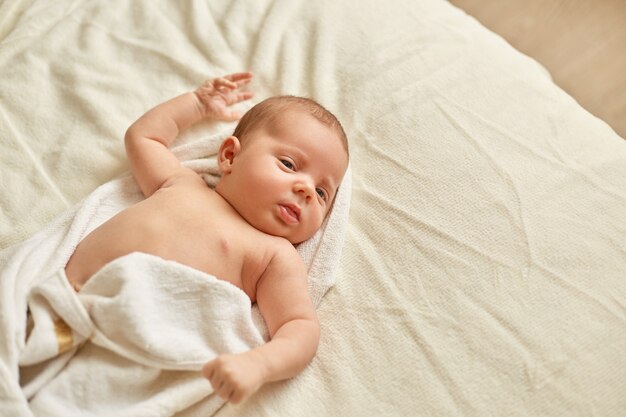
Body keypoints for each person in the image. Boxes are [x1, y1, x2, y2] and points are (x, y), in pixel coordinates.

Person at [63, 72, 349, 403]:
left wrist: (258, 364)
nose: (305, 190)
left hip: (126, 347)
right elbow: (144, 137)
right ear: (229, 156)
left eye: (322, 192)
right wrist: (197, 104)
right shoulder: (182, 182)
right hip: (63, 303)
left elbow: (300, 327)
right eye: (288, 164)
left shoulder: (273, 255)